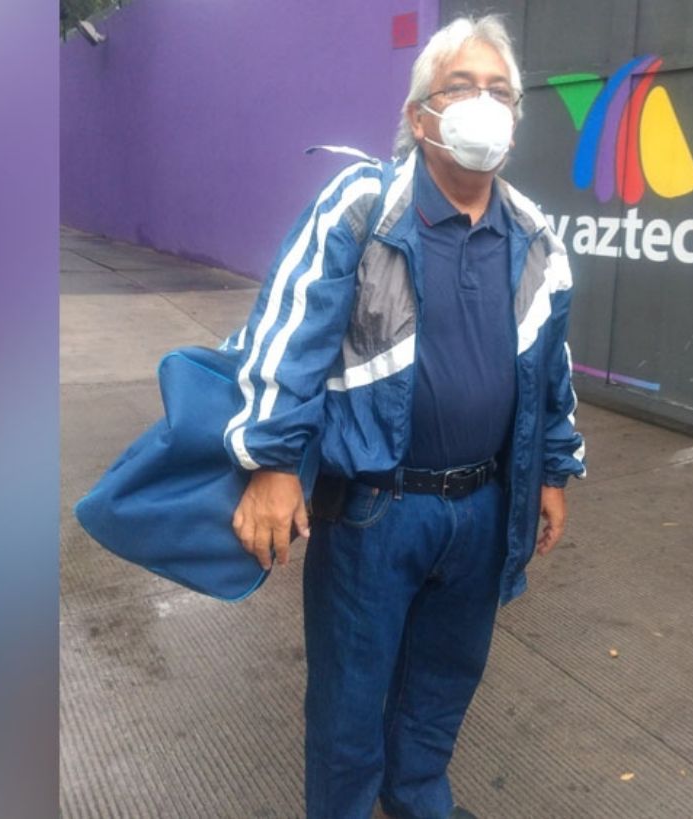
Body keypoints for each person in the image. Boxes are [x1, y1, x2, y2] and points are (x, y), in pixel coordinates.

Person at [221, 15, 586, 819]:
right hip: (375, 509)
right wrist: (272, 462)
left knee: (444, 679)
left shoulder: (534, 236)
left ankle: (418, 797)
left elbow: (549, 366)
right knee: (350, 699)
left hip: (485, 504)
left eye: (499, 91)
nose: (483, 104)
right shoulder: (365, 205)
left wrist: (555, 470)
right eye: (461, 87)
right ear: (420, 116)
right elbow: (290, 331)